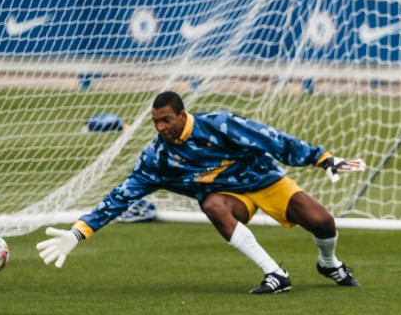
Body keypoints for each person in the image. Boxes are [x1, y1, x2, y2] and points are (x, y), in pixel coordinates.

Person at [36, 91, 365, 294]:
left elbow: (271, 138)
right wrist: (79, 232)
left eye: (166, 120)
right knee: (212, 205)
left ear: (182, 114)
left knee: (322, 222)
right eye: (155, 122)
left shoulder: (219, 124)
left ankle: (329, 263)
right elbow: (120, 197)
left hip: (266, 181)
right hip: (232, 200)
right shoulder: (158, 158)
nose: (160, 128)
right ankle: (275, 274)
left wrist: (323, 160)